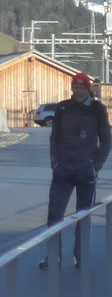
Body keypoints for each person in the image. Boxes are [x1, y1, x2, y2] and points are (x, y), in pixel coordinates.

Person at [40, 72, 110, 268]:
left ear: (88, 89)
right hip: (62, 170)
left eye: (82, 87)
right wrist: (54, 162)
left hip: (86, 170)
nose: (78, 91)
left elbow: (106, 140)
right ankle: (54, 257)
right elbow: (54, 137)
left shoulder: (98, 109)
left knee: (83, 217)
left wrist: (96, 167)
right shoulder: (63, 107)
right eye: (75, 87)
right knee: (54, 216)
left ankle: (80, 256)